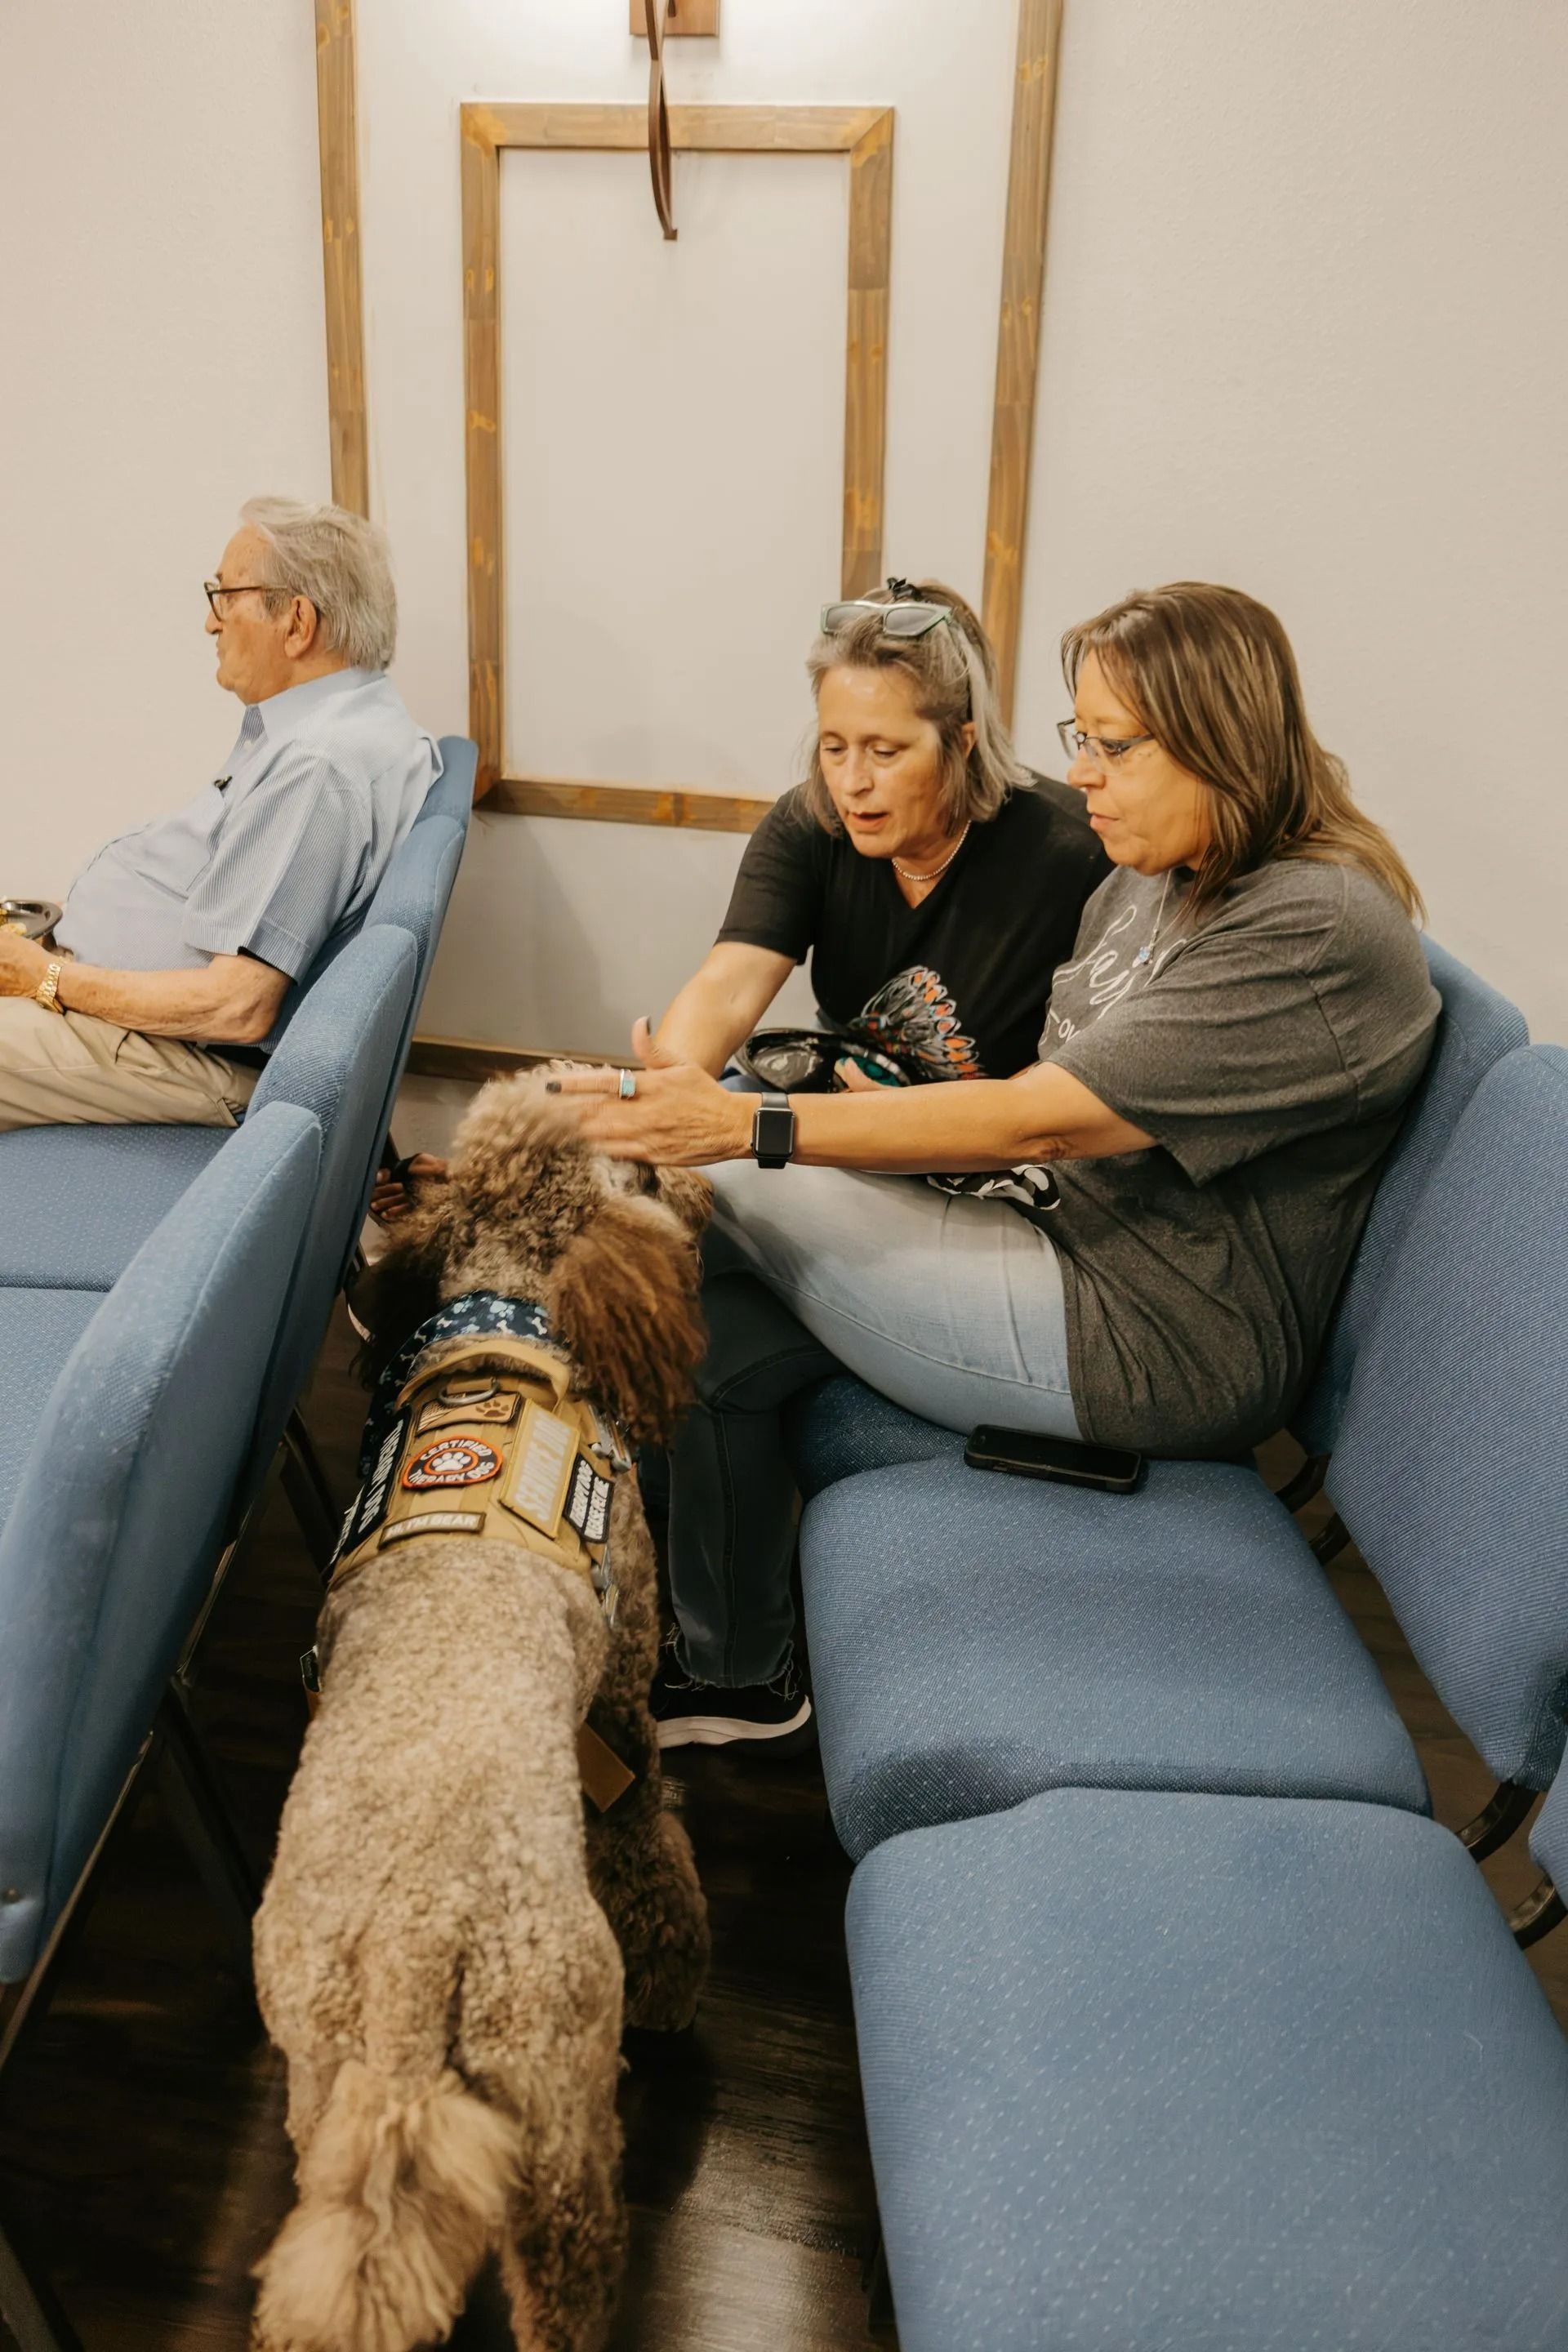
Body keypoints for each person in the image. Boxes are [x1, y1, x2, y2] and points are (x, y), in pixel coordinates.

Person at [553, 581, 1440, 1752]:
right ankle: (731, 1672)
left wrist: (737, 1124)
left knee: (704, 1185)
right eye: (1084, 741)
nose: (1084, 776)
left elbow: (1045, 1122)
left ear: (1223, 742)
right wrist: (708, 1105)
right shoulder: (1158, 876)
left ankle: (609, 1562)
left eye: (1116, 747)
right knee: (715, 1304)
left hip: (1148, 1339)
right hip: (1055, 1242)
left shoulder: (1314, 927)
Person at [0, 497, 439, 1130]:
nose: (212, 623)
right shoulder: (354, 721)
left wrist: (47, 977)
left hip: (184, 1053)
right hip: (145, 1018)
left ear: (296, 623)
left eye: (225, 597)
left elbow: (238, 1007)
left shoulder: (317, 767)